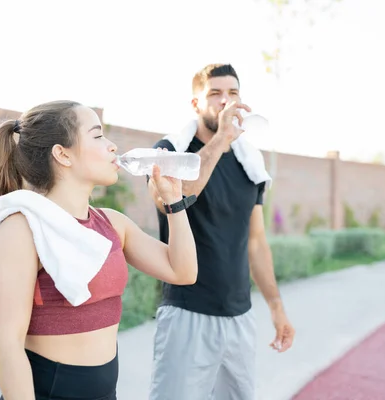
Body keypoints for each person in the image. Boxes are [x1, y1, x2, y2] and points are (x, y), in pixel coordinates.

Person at [0, 100, 198, 400]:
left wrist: (174, 201)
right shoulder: (21, 229)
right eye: (98, 135)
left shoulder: (112, 224)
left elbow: (182, 271)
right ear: (62, 154)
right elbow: (7, 344)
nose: (112, 146)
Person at [147, 64, 296, 400]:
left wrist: (276, 306)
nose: (225, 101)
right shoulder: (170, 150)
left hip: (239, 316)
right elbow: (176, 195)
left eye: (233, 94)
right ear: (196, 104)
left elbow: (256, 241)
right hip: (187, 312)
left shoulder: (249, 163)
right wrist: (220, 139)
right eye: (215, 93)